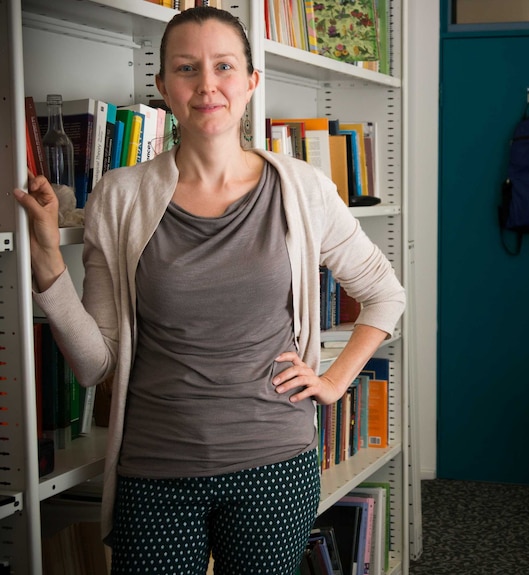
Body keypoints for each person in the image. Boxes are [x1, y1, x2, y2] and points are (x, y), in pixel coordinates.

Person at [14, 6, 405, 574]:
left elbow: (385, 293)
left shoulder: (301, 189)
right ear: (163, 86)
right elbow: (95, 365)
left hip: (274, 464)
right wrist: (48, 257)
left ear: (250, 81)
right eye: (187, 69)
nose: (207, 86)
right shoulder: (119, 197)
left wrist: (334, 381)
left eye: (224, 67)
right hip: (155, 468)